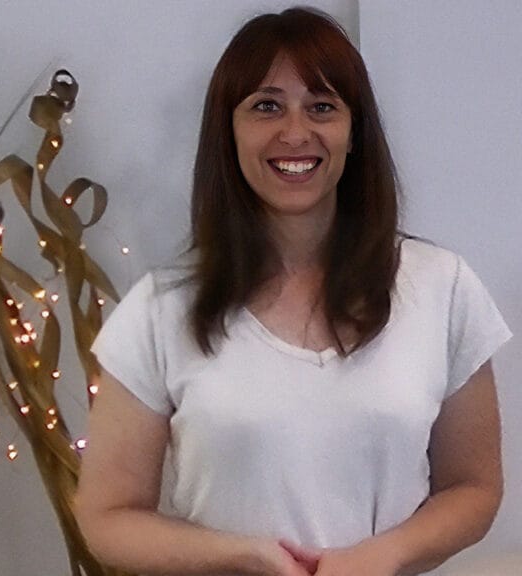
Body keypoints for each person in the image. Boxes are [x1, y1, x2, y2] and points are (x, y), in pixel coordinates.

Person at [75, 7, 511, 576]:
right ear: (228, 132)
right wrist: (243, 556)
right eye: (266, 106)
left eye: (322, 106)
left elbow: (474, 486)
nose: (296, 132)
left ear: (354, 133)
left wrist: (379, 556)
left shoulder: (441, 287)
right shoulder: (160, 309)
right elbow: (106, 517)